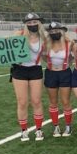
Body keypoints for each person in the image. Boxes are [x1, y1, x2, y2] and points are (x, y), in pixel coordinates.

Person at [11, 13, 47, 141]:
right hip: (19, 71)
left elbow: (45, 55)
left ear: (39, 23)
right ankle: (24, 130)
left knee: (36, 101)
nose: (32, 24)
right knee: (22, 102)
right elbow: (8, 50)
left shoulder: (44, 37)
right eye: (29, 23)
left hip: (35, 70)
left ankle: (38, 130)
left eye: (34, 22)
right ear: (26, 24)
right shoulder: (19, 35)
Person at [44, 21, 73, 137]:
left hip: (65, 73)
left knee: (65, 101)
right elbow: (42, 57)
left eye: (56, 30)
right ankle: (56, 126)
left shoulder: (69, 43)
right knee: (53, 102)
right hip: (51, 73)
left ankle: (68, 126)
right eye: (51, 31)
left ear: (62, 31)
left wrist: (67, 64)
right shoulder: (46, 44)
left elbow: (72, 57)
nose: (54, 33)